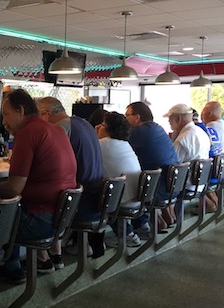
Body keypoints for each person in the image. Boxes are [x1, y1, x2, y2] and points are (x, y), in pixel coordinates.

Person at [0, 89, 77, 280]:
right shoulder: (55, 129)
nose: (4, 122)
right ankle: (11, 265)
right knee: (12, 210)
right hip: (62, 219)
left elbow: (14, 188)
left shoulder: (27, 133)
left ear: (20, 111)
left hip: (41, 221)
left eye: (6, 114)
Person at [36, 96, 104, 262]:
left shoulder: (60, 128)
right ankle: (54, 252)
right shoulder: (85, 123)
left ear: (45, 115)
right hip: (95, 196)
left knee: (34, 198)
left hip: (80, 200)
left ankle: (46, 257)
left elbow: (49, 164)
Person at [125, 102, 178, 234]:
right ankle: (151, 224)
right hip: (171, 184)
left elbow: (121, 148)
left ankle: (132, 230)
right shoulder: (157, 128)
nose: (125, 119)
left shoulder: (139, 131)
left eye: (127, 115)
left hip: (157, 187)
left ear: (137, 117)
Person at [96, 112, 143, 247]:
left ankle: (128, 236)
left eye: (103, 125)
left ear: (109, 129)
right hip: (137, 197)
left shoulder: (103, 144)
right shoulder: (125, 144)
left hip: (121, 201)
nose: (99, 127)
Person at [164, 103, 211, 224]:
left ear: (177, 118)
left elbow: (171, 164)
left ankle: (162, 223)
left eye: (170, 119)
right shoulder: (201, 132)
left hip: (187, 185)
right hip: (200, 183)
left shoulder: (183, 138)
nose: (169, 122)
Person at [201, 101, 224, 212]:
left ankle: (210, 205)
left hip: (217, 168)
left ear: (209, 113)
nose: (201, 115)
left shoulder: (211, 126)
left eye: (203, 111)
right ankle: (215, 203)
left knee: (195, 173)